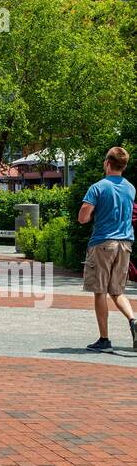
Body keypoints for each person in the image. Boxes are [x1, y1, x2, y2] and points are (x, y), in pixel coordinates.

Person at [79, 146, 137, 352]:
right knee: (117, 290)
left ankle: (104, 339)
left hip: (103, 243)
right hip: (125, 244)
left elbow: (83, 218)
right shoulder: (131, 188)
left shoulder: (98, 187)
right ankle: (133, 320)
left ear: (107, 163)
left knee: (100, 291)